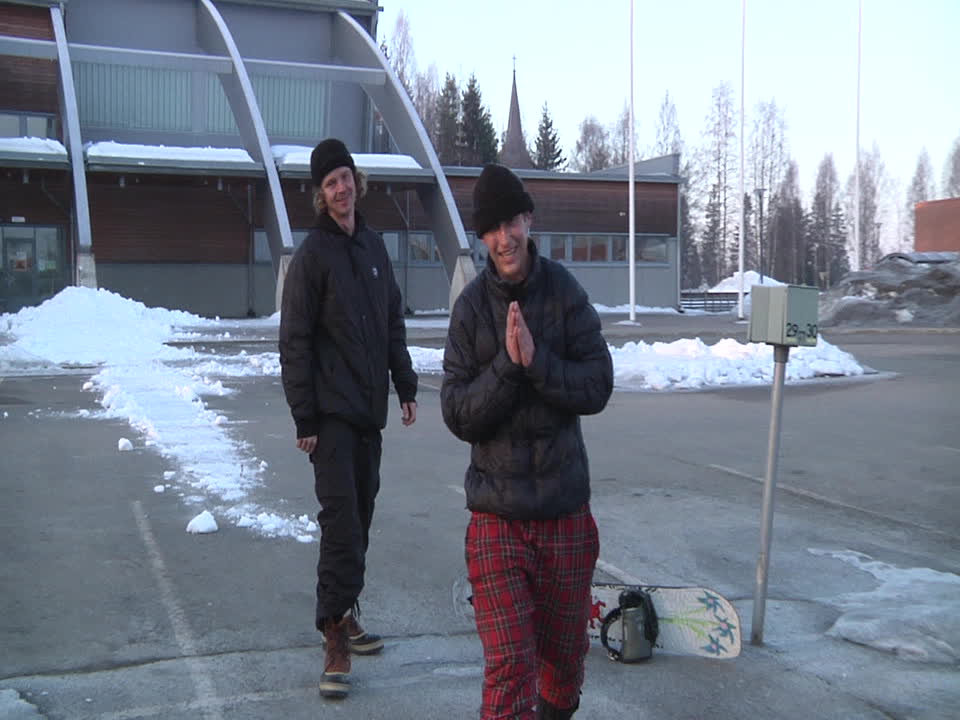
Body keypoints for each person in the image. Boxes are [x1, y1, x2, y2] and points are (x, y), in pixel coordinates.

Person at [441, 164, 613, 720]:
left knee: (562, 661)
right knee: (511, 661)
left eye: (512, 221)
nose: (505, 237)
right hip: (496, 518)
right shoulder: (469, 311)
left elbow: (597, 384)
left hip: (564, 511)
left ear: (528, 219)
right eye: (492, 228)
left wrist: (538, 363)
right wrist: (509, 369)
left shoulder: (565, 292)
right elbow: (458, 412)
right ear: (483, 236)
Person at [279, 138, 418, 700]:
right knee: (340, 523)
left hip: (369, 414)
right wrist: (304, 416)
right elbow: (294, 340)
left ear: (356, 182)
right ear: (321, 195)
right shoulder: (313, 256)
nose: (340, 189)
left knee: (359, 519)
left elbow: (391, 326)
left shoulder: (375, 249)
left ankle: (347, 610)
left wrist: (405, 384)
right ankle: (332, 632)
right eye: (329, 183)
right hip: (331, 417)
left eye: (345, 178)